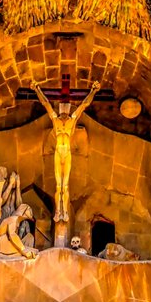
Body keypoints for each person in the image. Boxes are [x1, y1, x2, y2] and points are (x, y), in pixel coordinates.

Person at [33, 81, 101, 222]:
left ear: (68, 109)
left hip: (67, 153)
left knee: (65, 185)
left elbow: (83, 105)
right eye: (62, 110)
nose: (64, 112)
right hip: (58, 153)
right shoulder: (55, 120)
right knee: (59, 185)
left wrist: (93, 91)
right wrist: (37, 89)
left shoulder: (72, 120)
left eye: (66, 110)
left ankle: (65, 212)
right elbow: (46, 104)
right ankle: (58, 211)